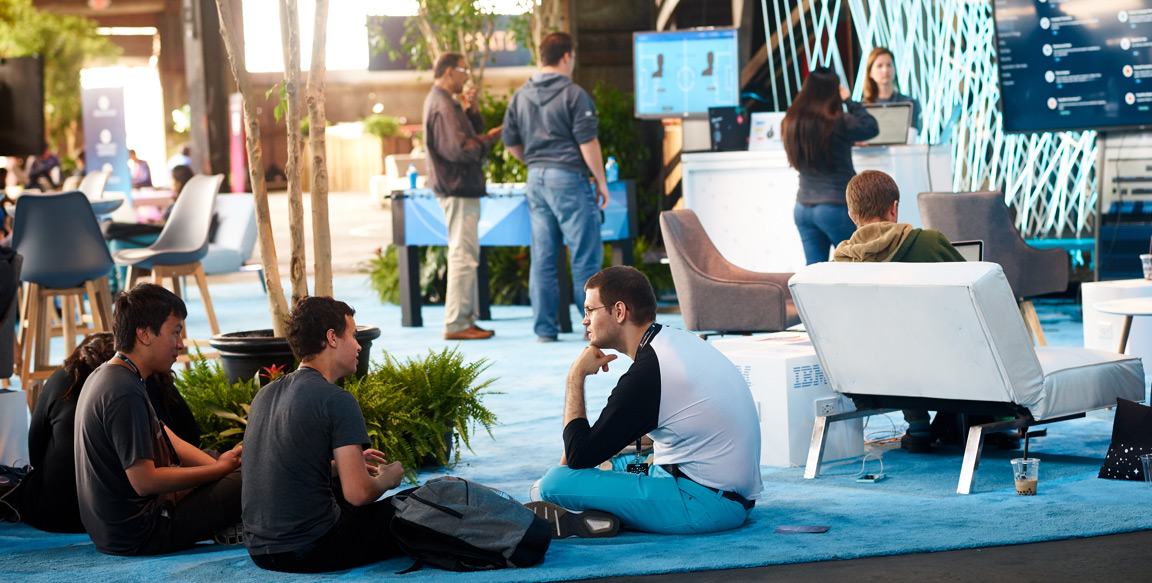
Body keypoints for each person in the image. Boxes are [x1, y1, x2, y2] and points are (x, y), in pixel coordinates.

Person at [527, 266, 762, 537]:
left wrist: (575, 377)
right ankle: (603, 511)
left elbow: (578, 457)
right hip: (726, 494)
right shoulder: (672, 342)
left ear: (619, 311)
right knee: (611, 459)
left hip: (703, 504)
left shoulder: (649, 372)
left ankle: (594, 511)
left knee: (551, 484)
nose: (584, 321)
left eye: (590, 310)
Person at [74, 283, 242, 556]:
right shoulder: (123, 391)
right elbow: (145, 482)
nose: (180, 344)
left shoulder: (113, 373)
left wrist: (219, 465)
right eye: (175, 332)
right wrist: (219, 472)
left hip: (118, 530)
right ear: (144, 334)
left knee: (226, 462)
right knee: (249, 479)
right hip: (143, 532)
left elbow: (168, 438)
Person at [242, 296, 406, 573]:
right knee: (415, 504)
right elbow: (359, 494)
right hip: (312, 549)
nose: (358, 345)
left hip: (260, 551)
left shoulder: (264, 394)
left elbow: (283, 467)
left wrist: (343, 467)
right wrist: (387, 479)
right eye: (353, 335)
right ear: (332, 338)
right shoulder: (337, 399)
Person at [832, 170, 971, 453]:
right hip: (940, 368)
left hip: (871, 377)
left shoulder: (838, 265)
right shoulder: (930, 243)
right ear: (894, 208)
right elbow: (973, 294)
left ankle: (918, 423)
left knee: (891, 335)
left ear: (852, 216)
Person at [503, 32, 610, 342]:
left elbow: (510, 141)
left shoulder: (520, 95)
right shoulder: (574, 94)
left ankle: (545, 330)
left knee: (543, 257)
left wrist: (536, 163)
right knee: (584, 256)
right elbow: (588, 141)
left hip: (535, 179)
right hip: (569, 178)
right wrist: (601, 181)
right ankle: (592, 328)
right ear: (566, 56)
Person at [423, 52, 502, 341]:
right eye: (463, 70)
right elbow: (459, 150)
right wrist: (490, 138)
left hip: (458, 186)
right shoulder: (442, 105)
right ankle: (456, 323)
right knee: (463, 256)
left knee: (464, 254)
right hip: (457, 188)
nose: (467, 76)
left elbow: (464, 139)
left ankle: (462, 319)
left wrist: (472, 112)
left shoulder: (446, 102)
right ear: (448, 71)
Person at [782, 67, 879, 265]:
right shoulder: (838, 121)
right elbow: (870, 126)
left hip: (803, 208)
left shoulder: (791, 121)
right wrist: (849, 100)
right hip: (835, 207)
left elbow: (821, 144)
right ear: (834, 91)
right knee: (858, 265)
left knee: (813, 272)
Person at [862, 47, 922, 134]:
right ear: (870, 73)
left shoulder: (909, 103)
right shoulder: (863, 106)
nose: (885, 70)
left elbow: (911, 137)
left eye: (889, 65)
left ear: (895, 69)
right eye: (879, 66)